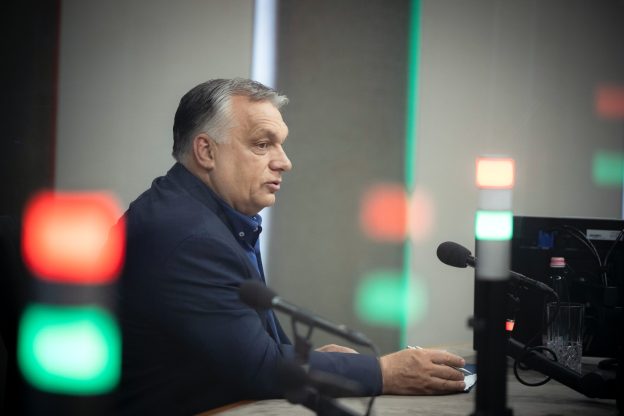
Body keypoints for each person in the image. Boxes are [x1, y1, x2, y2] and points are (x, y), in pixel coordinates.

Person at [116, 78, 466, 415]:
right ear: (207, 151)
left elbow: (244, 349)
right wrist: (385, 372)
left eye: (280, 144)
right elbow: (260, 367)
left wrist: (317, 361)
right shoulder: (190, 237)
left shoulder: (202, 213)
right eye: (262, 144)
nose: (284, 162)